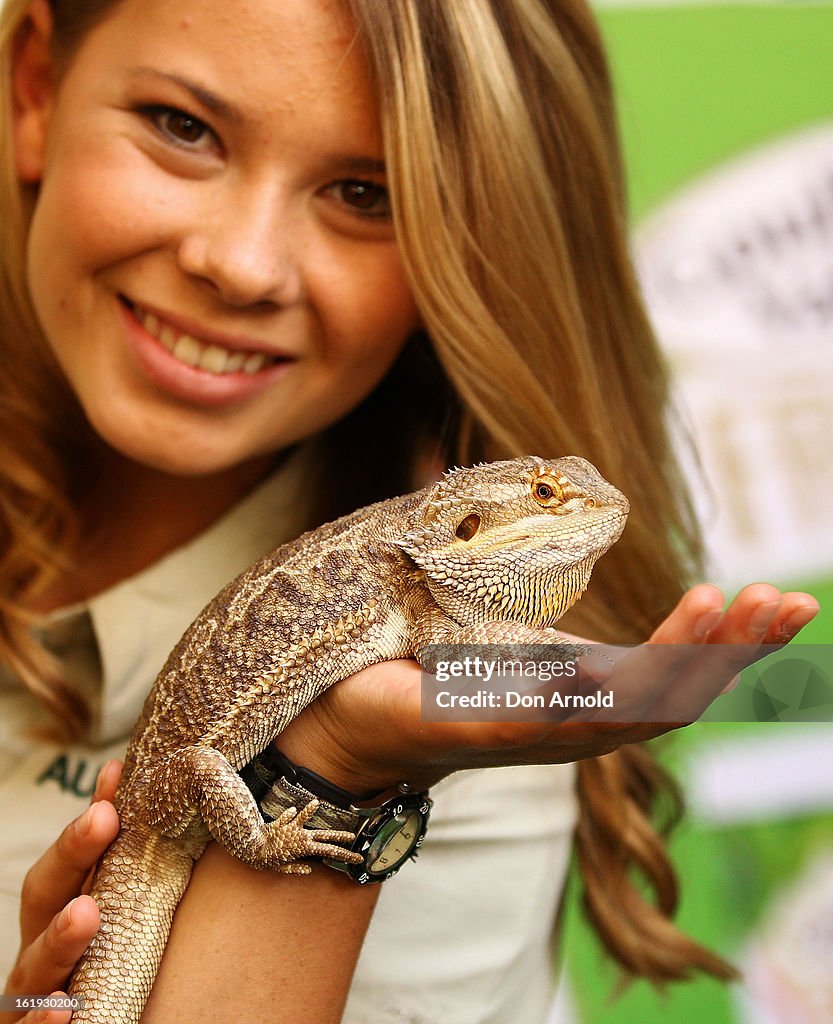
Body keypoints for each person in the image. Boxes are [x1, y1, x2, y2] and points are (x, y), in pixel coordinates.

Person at [0, 0, 819, 1021]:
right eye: (183, 126)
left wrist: (341, 764)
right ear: (35, 81)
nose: (239, 263)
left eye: (362, 192)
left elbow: (467, 673)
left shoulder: (467, 734)